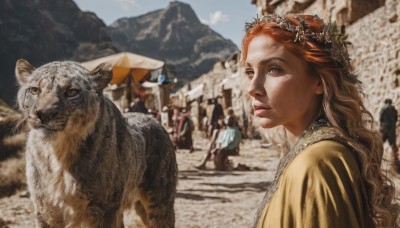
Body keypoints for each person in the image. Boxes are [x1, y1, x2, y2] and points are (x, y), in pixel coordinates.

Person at [242, 14, 399, 227]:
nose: (253, 88)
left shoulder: (318, 162)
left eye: (274, 69)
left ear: (318, 81)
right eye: (250, 71)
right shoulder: (313, 153)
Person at [379, 98, 399, 170]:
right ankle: (395, 162)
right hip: (391, 130)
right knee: (393, 145)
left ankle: (376, 160)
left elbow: (380, 119)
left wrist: (381, 127)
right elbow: (396, 119)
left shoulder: (383, 108)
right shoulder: (394, 109)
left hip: (384, 129)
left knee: (380, 144)